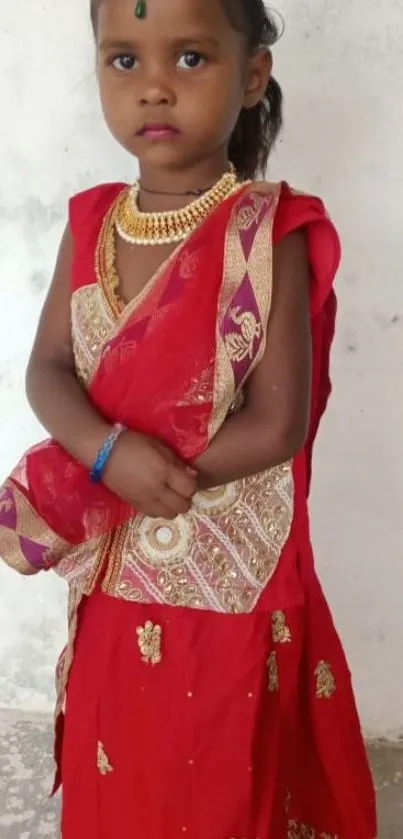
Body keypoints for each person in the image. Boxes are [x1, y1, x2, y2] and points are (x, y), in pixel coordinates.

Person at [0, 0, 377, 836]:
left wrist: (149, 470)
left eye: (190, 59)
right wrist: (106, 455)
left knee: (214, 782)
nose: (154, 88)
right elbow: (46, 370)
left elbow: (276, 424)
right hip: (113, 574)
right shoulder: (90, 221)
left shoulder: (266, 231)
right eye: (123, 60)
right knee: (119, 773)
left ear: (251, 77)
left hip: (221, 579)